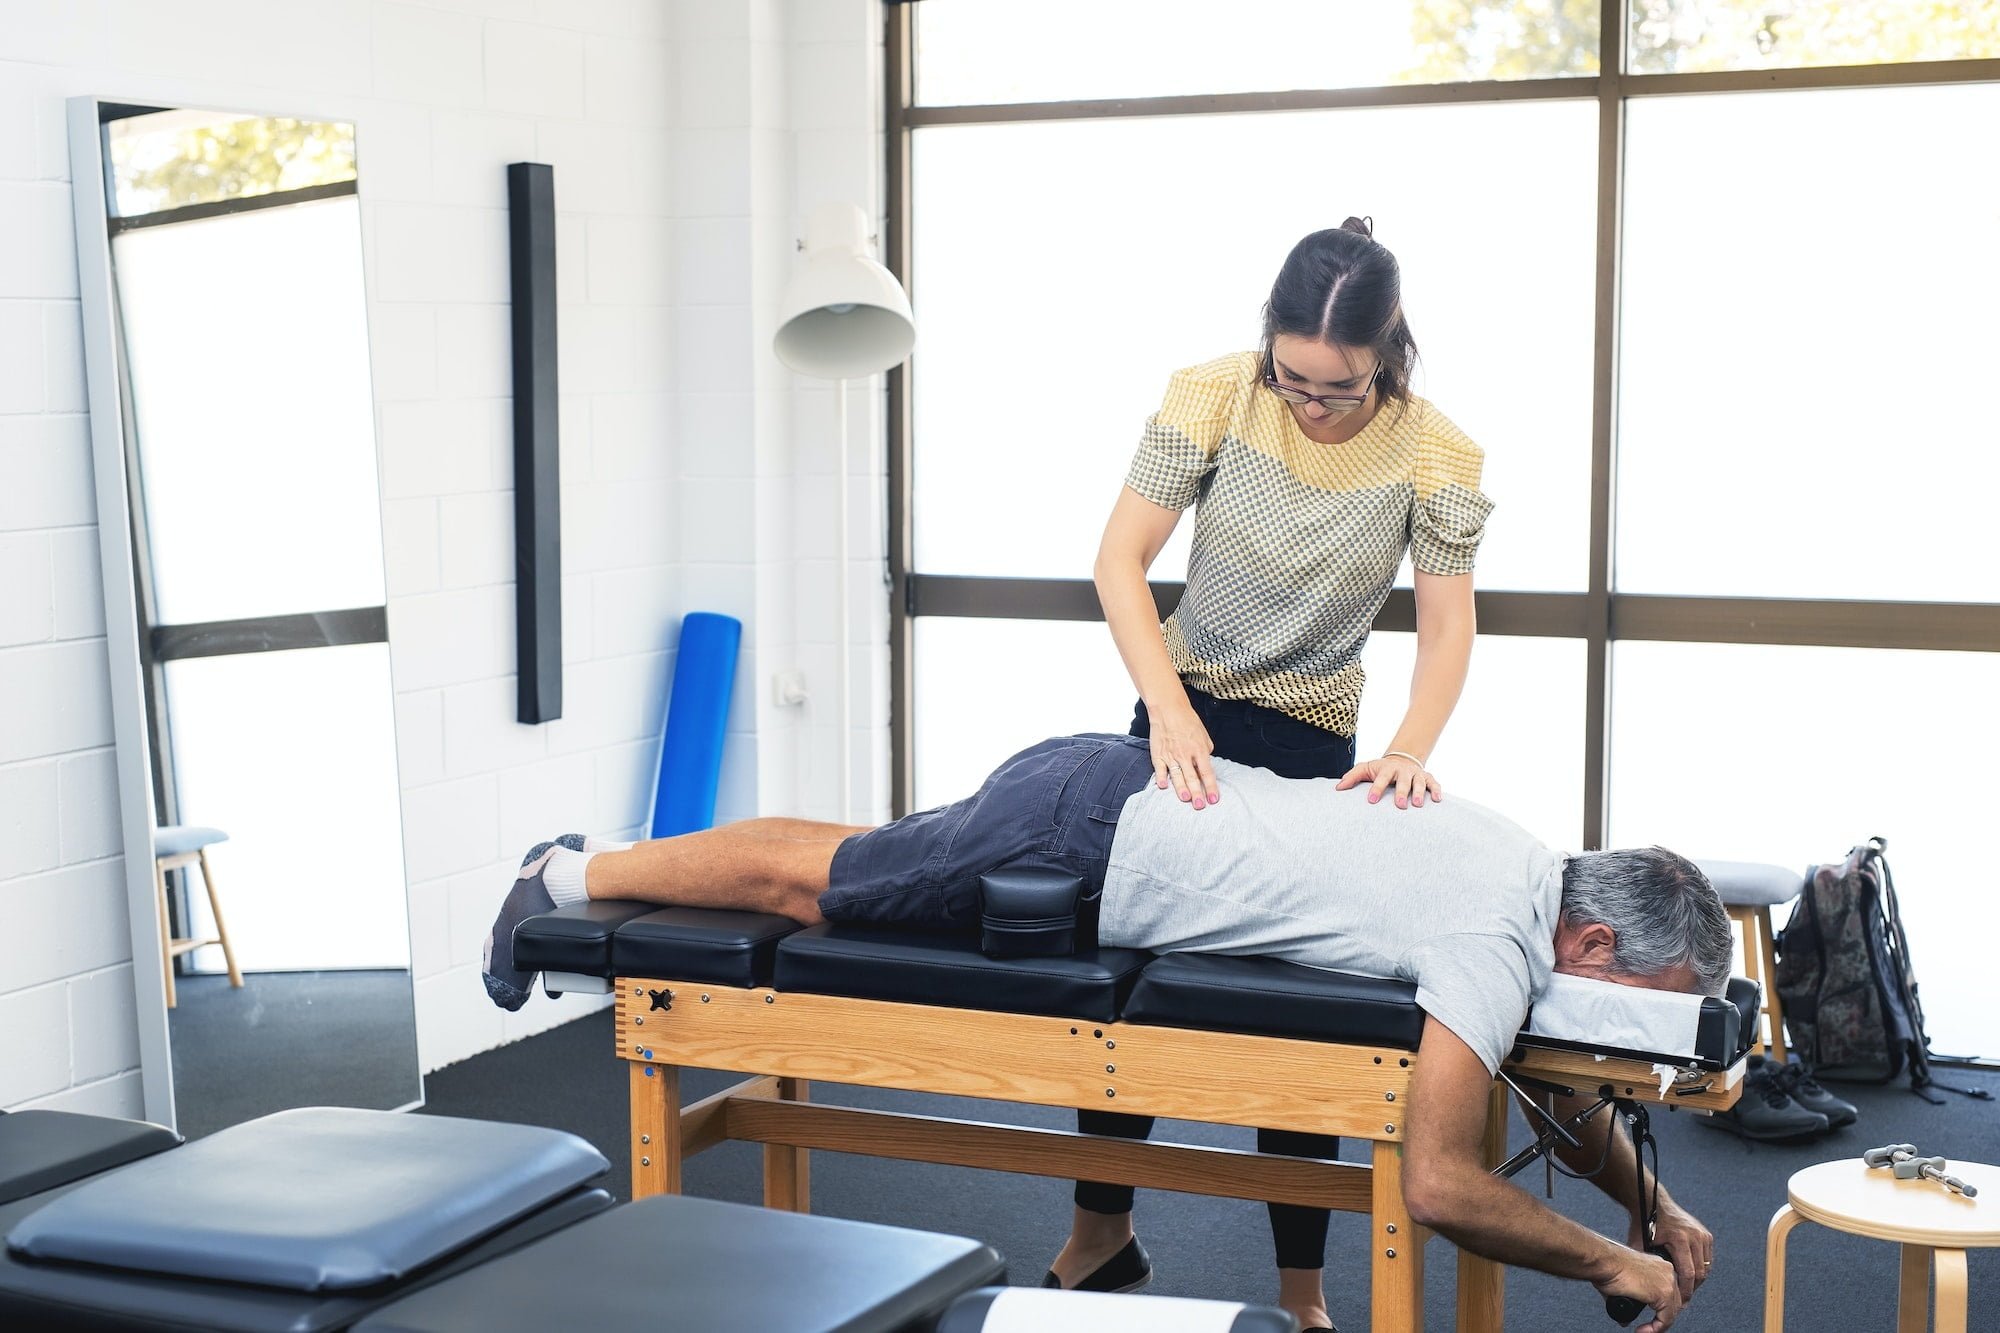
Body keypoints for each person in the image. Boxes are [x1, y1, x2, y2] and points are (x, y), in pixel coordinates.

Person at [483, 731, 1727, 1333]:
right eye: (1643, 1001)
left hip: (1109, 795)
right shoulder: (1494, 934)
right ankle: (571, 875)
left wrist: (1647, 1210)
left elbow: (1550, 1093)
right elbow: (1442, 1180)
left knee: (847, 860)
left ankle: (591, 867)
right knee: (813, 887)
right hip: (1078, 840)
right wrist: (1610, 1263)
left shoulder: (1520, 865)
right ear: (1594, 951)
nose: (1629, 1028)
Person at [1082, 216, 1493, 1325]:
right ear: (1267, 342)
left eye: (1338, 389)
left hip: (1314, 747)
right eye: (1294, 378)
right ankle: (1100, 1235)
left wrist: (1410, 748)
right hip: (1182, 720)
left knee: (1296, 1016)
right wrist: (1168, 713)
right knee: (1125, 982)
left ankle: (1301, 1296)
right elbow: (1119, 559)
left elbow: (1446, 629)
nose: (1310, 403)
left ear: (1386, 352)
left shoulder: (1436, 453)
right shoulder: (1214, 392)